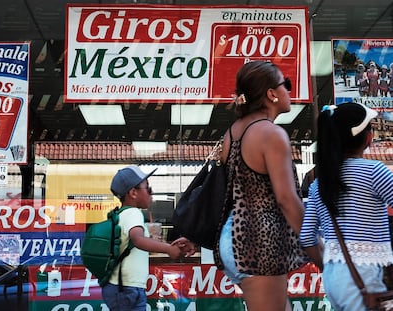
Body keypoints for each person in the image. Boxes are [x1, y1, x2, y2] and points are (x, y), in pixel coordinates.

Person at [213, 60, 314, 311]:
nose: (288, 91)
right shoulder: (271, 133)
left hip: (234, 236)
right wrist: (315, 246)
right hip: (260, 243)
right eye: (286, 85)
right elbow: (287, 199)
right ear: (271, 94)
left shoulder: (233, 133)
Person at [300, 102, 393, 310]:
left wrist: (336, 265)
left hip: (334, 277)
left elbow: (307, 238)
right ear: (368, 138)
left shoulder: (319, 183)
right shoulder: (374, 172)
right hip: (365, 274)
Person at [102, 165, 195, 311]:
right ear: (133, 192)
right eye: (148, 188)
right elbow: (138, 240)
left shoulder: (121, 214)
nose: (152, 193)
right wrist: (168, 249)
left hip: (121, 286)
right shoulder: (133, 213)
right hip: (127, 288)